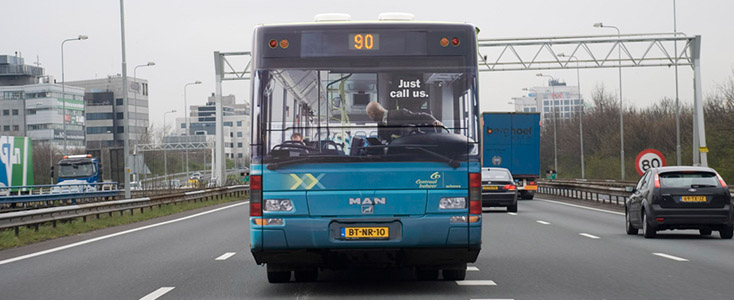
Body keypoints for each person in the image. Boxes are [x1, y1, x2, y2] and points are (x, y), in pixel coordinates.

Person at [365, 101, 443, 142]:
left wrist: (434, 121)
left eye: (369, 115)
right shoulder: (380, 123)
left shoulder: (400, 114)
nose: (370, 117)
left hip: (409, 150)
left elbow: (420, 116)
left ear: (373, 114)